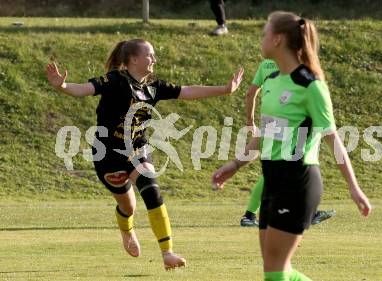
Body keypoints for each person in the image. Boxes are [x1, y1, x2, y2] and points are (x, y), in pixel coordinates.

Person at [46, 38, 244, 270]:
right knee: (128, 207)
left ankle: (167, 253)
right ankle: (126, 230)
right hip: (108, 155)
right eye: (149, 55)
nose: (154, 59)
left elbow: (187, 91)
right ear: (133, 59)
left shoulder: (154, 86)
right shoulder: (114, 80)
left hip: (138, 149)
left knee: (151, 188)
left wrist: (225, 89)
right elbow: (84, 89)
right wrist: (62, 86)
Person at [212, 12, 371, 281]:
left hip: (298, 182)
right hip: (273, 181)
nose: (261, 39)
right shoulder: (272, 82)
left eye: (264, 34)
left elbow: (334, 141)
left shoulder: (310, 86)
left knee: (275, 272)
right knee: (276, 270)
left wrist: (354, 188)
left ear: (277, 39)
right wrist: (235, 164)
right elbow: (265, 136)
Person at [240, 59, 336, 227]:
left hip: (272, 117)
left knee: (274, 170)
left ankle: (251, 214)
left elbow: (250, 93)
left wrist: (250, 120)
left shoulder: (265, 65)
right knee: (293, 166)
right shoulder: (295, 62)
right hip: (293, 118)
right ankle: (303, 212)